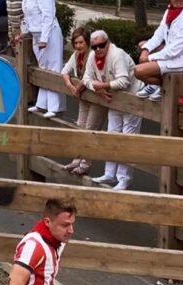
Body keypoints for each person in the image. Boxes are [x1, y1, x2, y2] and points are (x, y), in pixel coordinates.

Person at [82, 30, 143, 191]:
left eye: (101, 45)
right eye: (94, 46)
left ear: (108, 43)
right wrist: (97, 89)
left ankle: (124, 178)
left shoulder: (117, 55)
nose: (98, 49)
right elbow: (86, 78)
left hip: (131, 98)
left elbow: (124, 81)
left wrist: (103, 86)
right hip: (113, 99)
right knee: (112, 134)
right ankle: (109, 173)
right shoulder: (92, 57)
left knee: (127, 137)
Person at [134, 0, 183, 103]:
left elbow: (175, 50)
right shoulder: (170, 11)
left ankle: (162, 87)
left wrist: (149, 58)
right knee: (142, 45)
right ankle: (155, 86)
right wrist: (146, 50)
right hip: (173, 52)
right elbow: (159, 34)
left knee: (138, 71)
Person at [61, 27, 106, 176]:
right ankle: (77, 159)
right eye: (76, 43)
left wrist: (77, 89)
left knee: (90, 129)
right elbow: (65, 71)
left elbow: (88, 76)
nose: (78, 46)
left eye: (81, 42)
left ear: (87, 42)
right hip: (84, 98)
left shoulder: (93, 55)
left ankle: (86, 163)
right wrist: (70, 85)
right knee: (80, 127)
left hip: (96, 97)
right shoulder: (75, 56)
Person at [18, 0, 65, 118]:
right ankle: (42, 104)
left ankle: (55, 107)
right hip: (35, 35)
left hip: (50, 34)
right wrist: (24, 32)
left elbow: (48, 15)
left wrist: (44, 38)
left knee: (53, 68)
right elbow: (27, 15)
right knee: (43, 68)